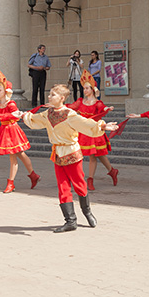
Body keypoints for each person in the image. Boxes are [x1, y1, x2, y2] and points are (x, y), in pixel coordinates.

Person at [21, 84, 118, 233]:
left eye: (52, 95)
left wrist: (103, 126)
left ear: (61, 98)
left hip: (72, 153)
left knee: (79, 184)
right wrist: (22, 115)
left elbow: (86, 124)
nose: (49, 96)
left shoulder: (69, 114)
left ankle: (87, 212)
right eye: (50, 94)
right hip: (58, 154)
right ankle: (70, 221)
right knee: (63, 187)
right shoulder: (48, 114)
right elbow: (35, 120)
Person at [0, 70, 40, 193]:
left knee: (15, 157)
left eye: (0, 90)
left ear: (6, 92)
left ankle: (11, 183)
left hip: (12, 130)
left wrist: (2, 116)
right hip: (4, 130)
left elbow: (14, 115)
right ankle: (33, 175)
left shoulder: (11, 103)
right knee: (20, 155)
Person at [66, 70, 119, 190]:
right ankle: (112, 171)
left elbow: (102, 107)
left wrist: (107, 108)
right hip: (83, 132)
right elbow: (71, 107)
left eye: (87, 88)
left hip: (94, 132)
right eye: (83, 88)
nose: (85, 90)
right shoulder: (80, 101)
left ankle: (90, 180)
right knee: (97, 155)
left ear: (93, 89)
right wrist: (58, 105)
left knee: (93, 156)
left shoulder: (97, 103)